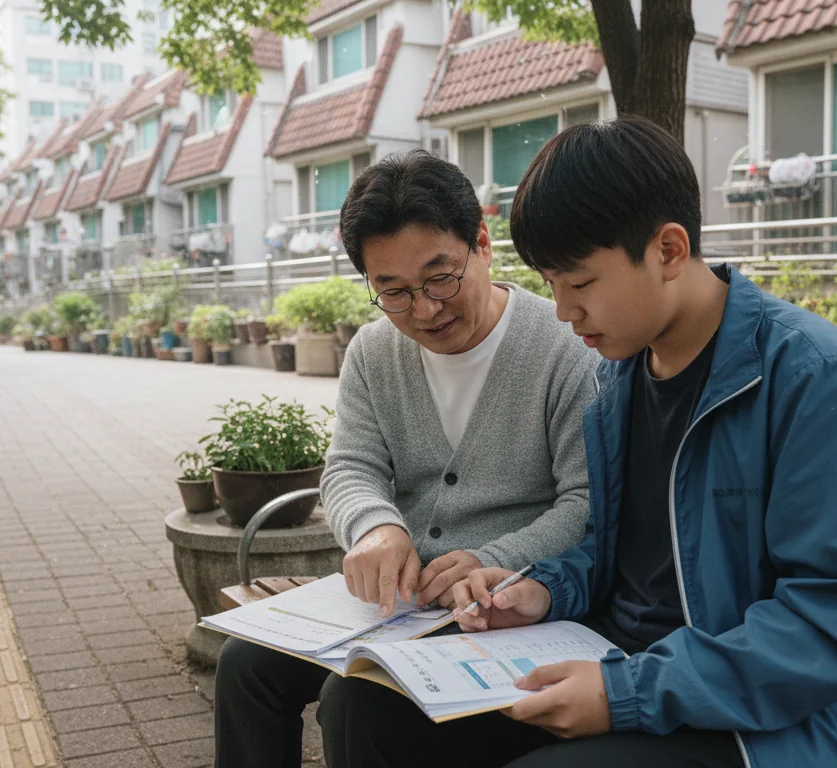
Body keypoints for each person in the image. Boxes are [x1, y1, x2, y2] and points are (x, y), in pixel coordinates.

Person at [319, 116, 837, 768]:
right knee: (366, 707)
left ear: (667, 250)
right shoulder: (620, 380)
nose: (560, 311)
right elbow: (615, 556)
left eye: (579, 284)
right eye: (550, 285)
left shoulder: (808, 374)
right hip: (627, 667)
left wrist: (624, 693)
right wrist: (542, 588)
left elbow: (833, 623)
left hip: (779, 724)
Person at [213, 150, 598, 768]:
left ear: (482, 243)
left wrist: (492, 559)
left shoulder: (562, 349)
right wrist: (376, 527)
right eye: (391, 290)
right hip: (401, 601)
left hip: (497, 604)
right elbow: (350, 465)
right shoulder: (373, 350)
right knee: (244, 666)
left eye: (439, 277)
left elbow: (587, 502)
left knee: (354, 700)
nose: (423, 309)